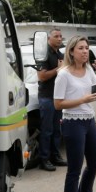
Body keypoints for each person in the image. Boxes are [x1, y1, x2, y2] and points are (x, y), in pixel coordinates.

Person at [53, 35, 96, 192]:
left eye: (87, 48)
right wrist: (82, 99)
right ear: (72, 51)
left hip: (89, 120)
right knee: (74, 171)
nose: (85, 51)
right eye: (81, 48)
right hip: (72, 123)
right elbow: (58, 104)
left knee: (95, 162)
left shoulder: (90, 70)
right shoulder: (64, 75)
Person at [36, 28, 68, 172]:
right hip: (47, 97)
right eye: (56, 36)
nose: (60, 39)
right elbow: (41, 77)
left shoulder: (60, 54)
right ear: (49, 38)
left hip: (58, 97)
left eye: (61, 36)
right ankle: (44, 159)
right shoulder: (43, 54)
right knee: (47, 130)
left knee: (57, 130)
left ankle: (55, 156)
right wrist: (59, 69)